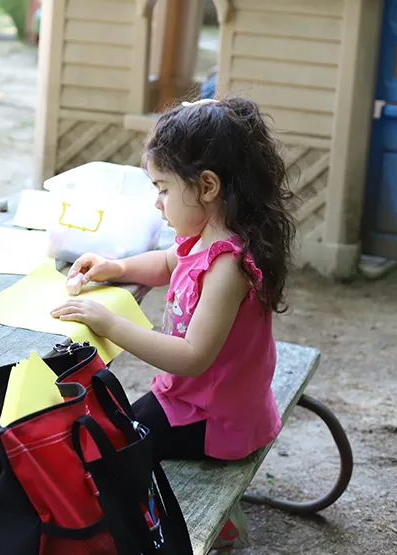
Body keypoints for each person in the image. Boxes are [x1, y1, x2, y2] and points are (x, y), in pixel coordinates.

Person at [52, 97, 296, 549]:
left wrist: (108, 322)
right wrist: (116, 267)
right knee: (112, 423)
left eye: (163, 188)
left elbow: (192, 358)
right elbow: (167, 263)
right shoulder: (206, 236)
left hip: (214, 417)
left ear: (206, 186)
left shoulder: (229, 263)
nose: (158, 203)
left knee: (109, 445)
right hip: (202, 399)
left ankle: (162, 528)